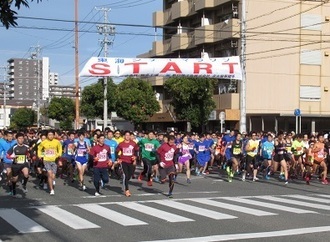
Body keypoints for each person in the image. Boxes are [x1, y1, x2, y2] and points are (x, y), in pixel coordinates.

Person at [37, 130, 63, 195]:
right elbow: (39, 149)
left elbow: (60, 149)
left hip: (54, 160)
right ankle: (51, 189)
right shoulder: (44, 142)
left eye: (52, 135)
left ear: (54, 135)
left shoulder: (57, 142)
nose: (50, 136)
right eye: (49, 135)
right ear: (47, 136)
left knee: (53, 176)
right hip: (46, 160)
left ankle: (51, 181)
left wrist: (59, 155)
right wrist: (39, 156)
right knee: (49, 174)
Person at [116, 131, 139, 197]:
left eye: (129, 135)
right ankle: (127, 190)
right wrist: (118, 158)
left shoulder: (133, 143)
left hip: (131, 161)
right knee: (126, 175)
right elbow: (116, 151)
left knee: (130, 175)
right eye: (126, 135)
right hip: (123, 161)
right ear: (124, 136)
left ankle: (124, 178)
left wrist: (135, 157)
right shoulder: (121, 144)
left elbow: (137, 151)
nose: (128, 136)